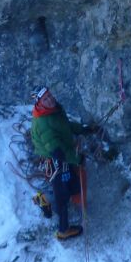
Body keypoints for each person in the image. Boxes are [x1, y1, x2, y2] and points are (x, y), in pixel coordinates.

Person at [30, 88, 88, 241]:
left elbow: (65, 126)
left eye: (50, 96)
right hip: (57, 162)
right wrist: (77, 159)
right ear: (39, 103)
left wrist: (84, 129)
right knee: (62, 197)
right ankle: (63, 230)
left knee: (74, 186)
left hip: (61, 158)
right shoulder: (43, 123)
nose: (50, 99)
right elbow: (58, 151)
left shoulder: (53, 110)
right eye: (45, 99)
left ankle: (46, 199)